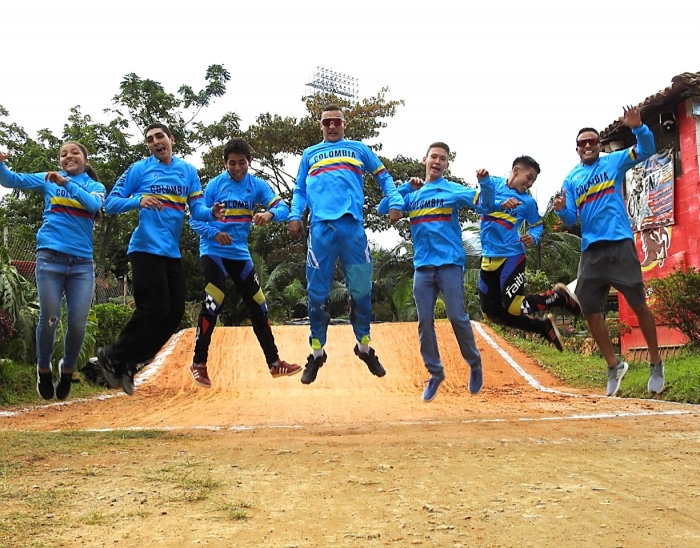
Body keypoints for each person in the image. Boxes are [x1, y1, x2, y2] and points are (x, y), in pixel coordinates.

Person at [97, 123, 224, 395]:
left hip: (171, 252)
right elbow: (110, 202)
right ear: (148, 146)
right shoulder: (139, 169)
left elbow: (197, 209)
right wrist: (138, 200)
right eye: (150, 139)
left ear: (171, 139)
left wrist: (212, 212)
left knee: (174, 311)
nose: (156, 142)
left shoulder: (187, 171)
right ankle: (112, 354)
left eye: (160, 137)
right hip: (144, 248)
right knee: (154, 307)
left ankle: (130, 362)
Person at [288, 104, 403, 384]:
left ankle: (364, 348)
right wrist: (294, 215)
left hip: (352, 229)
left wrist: (396, 201)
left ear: (344, 124)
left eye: (336, 121)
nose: (332, 126)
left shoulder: (358, 149)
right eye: (327, 122)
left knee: (362, 292)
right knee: (317, 297)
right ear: (321, 126)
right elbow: (300, 189)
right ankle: (316, 354)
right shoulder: (310, 154)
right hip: (320, 230)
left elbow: (384, 176)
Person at [554, 106, 664, 397]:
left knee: (639, 304)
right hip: (591, 250)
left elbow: (647, 150)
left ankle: (655, 362)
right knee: (589, 309)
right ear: (576, 149)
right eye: (583, 143)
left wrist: (638, 127)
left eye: (592, 141)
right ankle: (614, 365)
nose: (588, 145)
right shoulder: (572, 179)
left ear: (599, 145)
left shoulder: (613, 162)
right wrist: (559, 209)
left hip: (619, 243)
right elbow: (569, 219)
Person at [378, 142, 495, 401]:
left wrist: (485, 183)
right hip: (423, 266)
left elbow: (485, 206)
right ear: (425, 159)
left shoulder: (452, 190)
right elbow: (384, 209)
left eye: (442, 159)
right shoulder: (413, 195)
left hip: (450, 264)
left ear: (447, 165)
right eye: (434, 157)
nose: (437, 162)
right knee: (424, 322)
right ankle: (435, 373)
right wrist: (407, 186)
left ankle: (474, 364)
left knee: (456, 316)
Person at [188, 138, 300, 387]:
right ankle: (198, 363)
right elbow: (194, 219)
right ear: (224, 163)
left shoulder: (257, 186)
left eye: (242, 163)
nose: (237, 168)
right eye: (232, 163)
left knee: (259, 304)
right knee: (214, 300)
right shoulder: (215, 185)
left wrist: (269, 214)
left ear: (250, 162)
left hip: (239, 253)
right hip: (213, 250)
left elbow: (283, 208)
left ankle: (274, 363)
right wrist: (214, 233)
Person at [0, 142, 105, 400]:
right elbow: (11, 180)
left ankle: (67, 369)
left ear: (85, 159)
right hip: (49, 258)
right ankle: (43, 368)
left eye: (74, 152)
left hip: (81, 264)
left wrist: (66, 183)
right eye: (63, 154)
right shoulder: (48, 179)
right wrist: (0, 162)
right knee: (50, 318)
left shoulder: (95, 187)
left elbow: (93, 206)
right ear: (59, 160)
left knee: (78, 324)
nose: (68, 156)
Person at [477, 156, 582, 353]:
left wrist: (533, 237)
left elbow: (537, 224)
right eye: (529, 177)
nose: (530, 183)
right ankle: (542, 327)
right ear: (516, 171)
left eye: (533, 180)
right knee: (491, 313)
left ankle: (558, 297)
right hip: (488, 258)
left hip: (512, 256)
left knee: (514, 305)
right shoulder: (493, 185)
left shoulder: (527, 202)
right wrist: (482, 181)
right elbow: (480, 202)